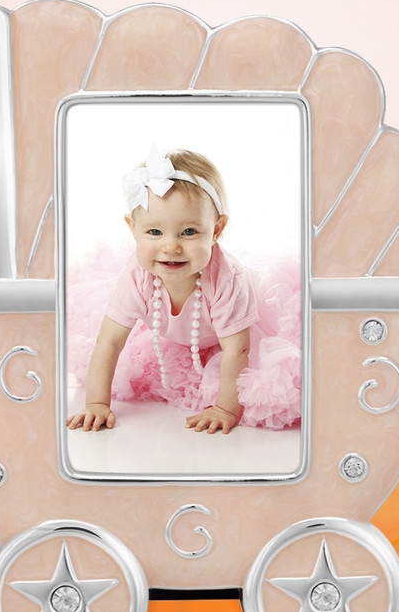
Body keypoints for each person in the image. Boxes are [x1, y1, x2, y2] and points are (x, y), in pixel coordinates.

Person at [67, 147, 258, 434]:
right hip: (175, 337)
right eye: (155, 232)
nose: (171, 246)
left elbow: (237, 349)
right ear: (133, 228)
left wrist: (225, 409)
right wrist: (96, 403)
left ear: (216, 230)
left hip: (230, 344)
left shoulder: (227, 281)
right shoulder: (137, 277)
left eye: (189, 232)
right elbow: (109, 342)